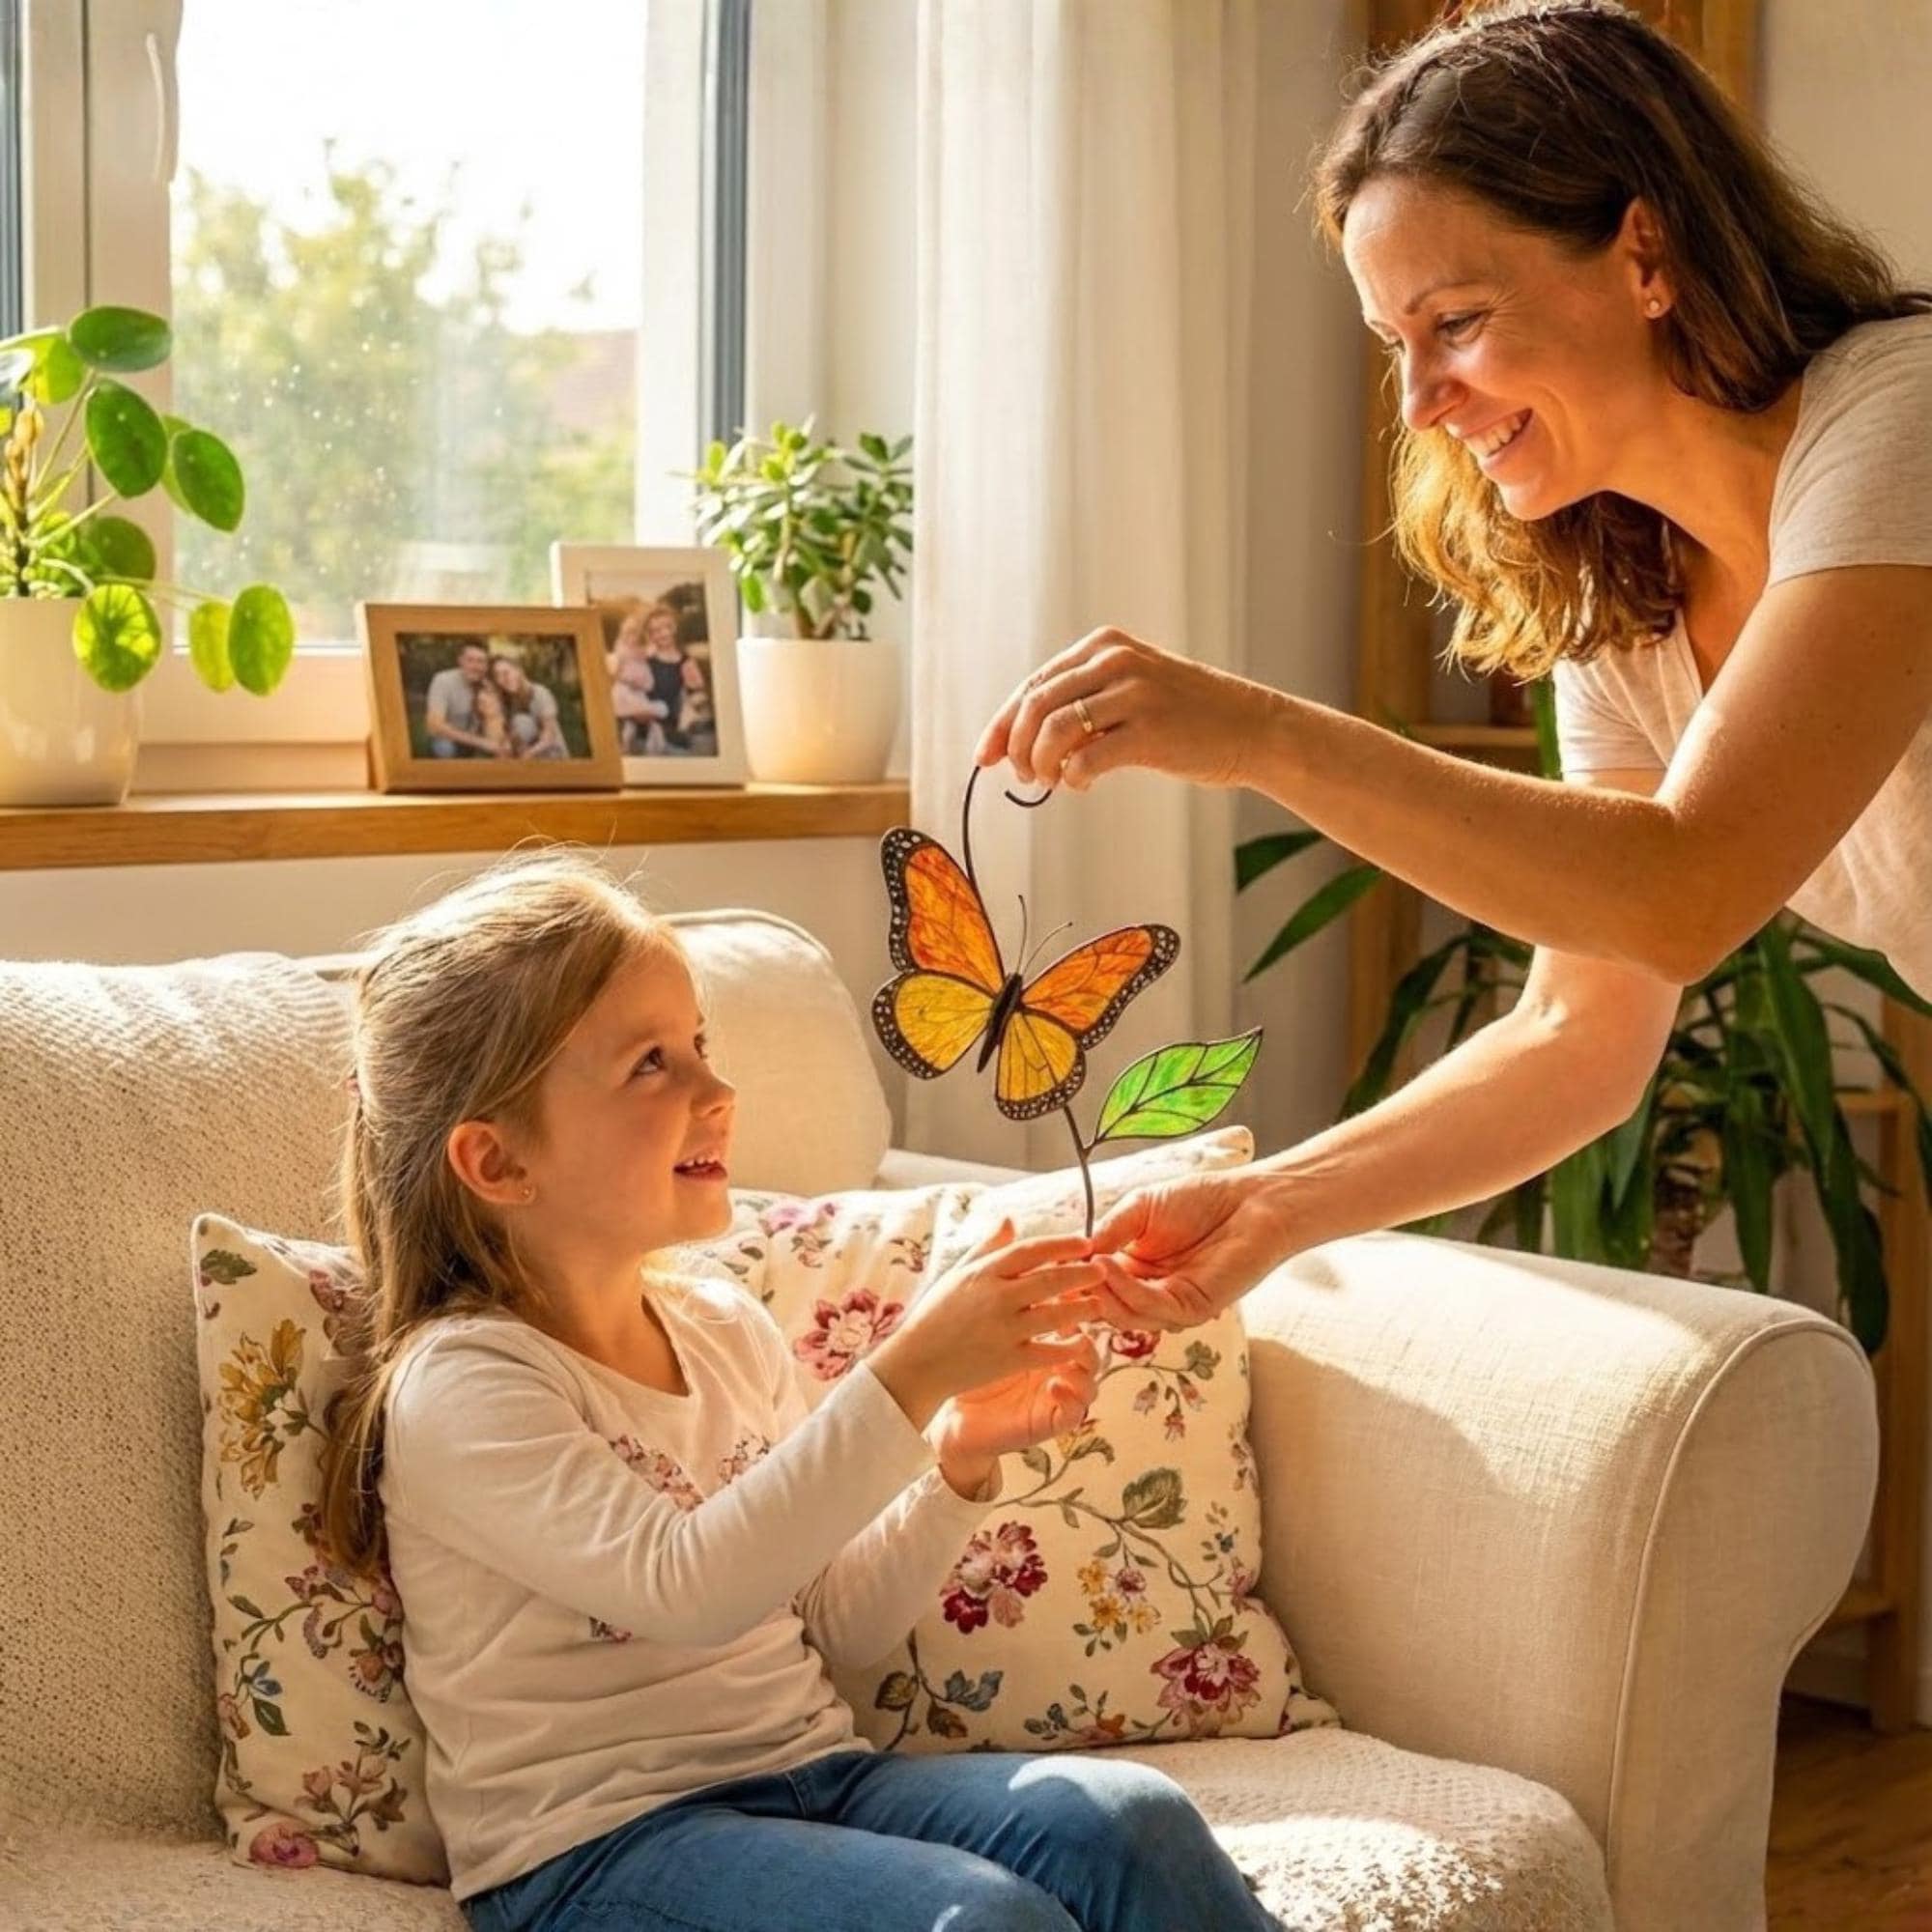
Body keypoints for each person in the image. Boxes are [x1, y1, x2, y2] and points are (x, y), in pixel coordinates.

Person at [977, 0, 1932, 1333]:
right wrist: (1272, 1205)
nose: (1421, 400)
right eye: (1395, 345)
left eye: (1460, 322)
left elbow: (1684, 890)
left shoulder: (1900, 418)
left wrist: (1264, 735)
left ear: (1645, 252)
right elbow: (1578, 1034)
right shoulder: (1624, 596)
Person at [316, 851, 1280, 1932]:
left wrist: (954, 1458)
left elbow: (834, 1625)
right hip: (594, 1853)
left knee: (1129, 1820)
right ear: (496, 1163)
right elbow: (686, 1587)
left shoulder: (720, 1325)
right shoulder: (464, 1383)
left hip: (816, 1779)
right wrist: (908, 1370)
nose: (715, 1092)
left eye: (699, 1047)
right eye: (650, 1064)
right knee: (979, 1919)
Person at [423, 642, 507, 759]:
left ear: (486, 665)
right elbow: (434, 725)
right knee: (445, 748)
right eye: (470, 660)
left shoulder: (488, 684)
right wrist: (481, 742)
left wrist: (499, 742)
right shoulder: (443, 680)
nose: (475, 666)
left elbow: (496, 720)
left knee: (503, 746)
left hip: (476, 735)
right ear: (460, 661)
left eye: (481, 661)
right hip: (448, 736)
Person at [490, 653, 568, 760]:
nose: (503, 679)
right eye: (498, 675)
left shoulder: (540, 693)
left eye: (506, 672)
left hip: (553, 759)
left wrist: (527, 755)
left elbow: (549, 735)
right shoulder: (508, 701)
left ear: (518, 670)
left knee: (522, 721)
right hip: (527, 761)